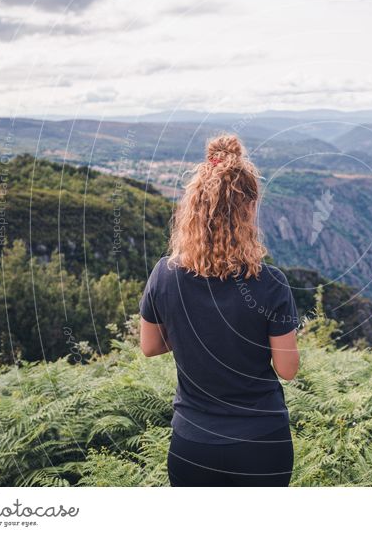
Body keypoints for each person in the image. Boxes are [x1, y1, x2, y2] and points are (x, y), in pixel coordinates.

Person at [138, 133, 300, 487]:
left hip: (193, 442)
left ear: (193, 208)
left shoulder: (165, 275)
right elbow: (287, 369)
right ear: (248, 210)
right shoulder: (271, 283)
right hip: (262, 441)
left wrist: (192, 334)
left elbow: (150, 346)